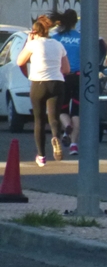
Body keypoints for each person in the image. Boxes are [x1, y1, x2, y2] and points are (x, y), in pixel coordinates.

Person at [16, 19, 70, 167]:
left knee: (39, 119)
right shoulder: (59, 45)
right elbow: (66, 69)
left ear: (34, 32)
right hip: (57, 83)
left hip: (38, 83)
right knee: (54, 117)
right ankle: (55, 137)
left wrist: (28, 42)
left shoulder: (33, 44)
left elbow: (20, 61)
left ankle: (41, 156)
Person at [51, 9, 81, 155]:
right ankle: (74, 144)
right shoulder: (82, 38)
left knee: (62, 109)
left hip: (62, 76)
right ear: (76, 22)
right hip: (78, 76)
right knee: (76, 111)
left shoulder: (56, 38)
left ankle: (67, 125)